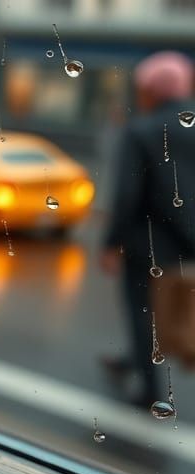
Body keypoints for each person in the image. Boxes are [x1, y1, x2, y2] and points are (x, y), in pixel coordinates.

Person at [101, 51, 195, 406]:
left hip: (149, 244)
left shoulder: (141, 131)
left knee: (142, 312)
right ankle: (131, 359)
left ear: (151, 90)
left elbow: (127, 194)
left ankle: (151, 392)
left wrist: (111, 243)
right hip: (188, 241)